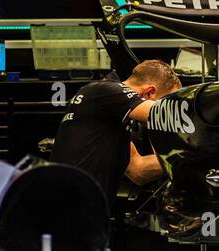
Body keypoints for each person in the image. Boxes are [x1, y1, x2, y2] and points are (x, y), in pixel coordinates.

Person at [50, 59, 180, 201]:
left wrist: (185, 159)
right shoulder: (105, 90)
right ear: (149, 92)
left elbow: (138, 170)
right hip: (69, 203)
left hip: (85, 205)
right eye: (167, 100)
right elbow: (162, 114)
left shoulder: (112, 116)